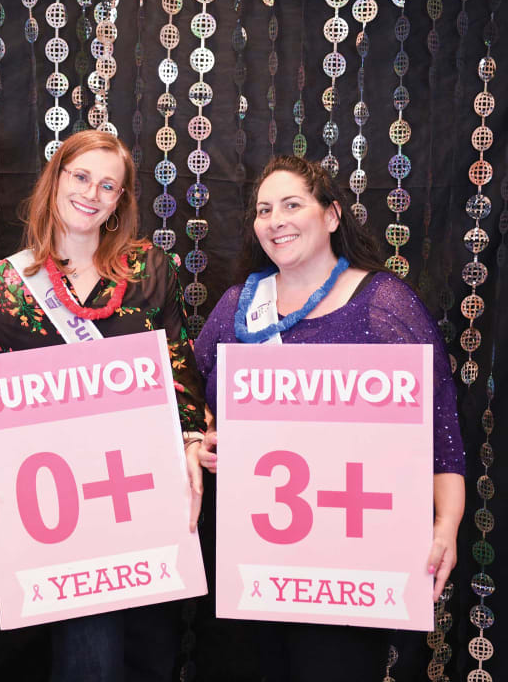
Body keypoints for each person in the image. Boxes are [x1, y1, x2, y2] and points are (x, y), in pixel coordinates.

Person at [193, 155, 466, 682]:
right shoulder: (236, 306)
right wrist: (203, 436)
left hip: (346, 566)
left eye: (292, 204)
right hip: (249, 559)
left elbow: (440, 428)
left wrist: (447, 523)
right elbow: (197, 392)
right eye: (264, 209)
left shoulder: (384, 304)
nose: (276, 220)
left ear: (333, 216)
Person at [0, 129, 206, 681]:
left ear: (121, 200)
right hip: (51, 507)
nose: (92, 194)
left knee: (147, 651)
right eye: (81, 177)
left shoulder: (148, 267)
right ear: (56, 180)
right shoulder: (4, 284)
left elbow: (178, 363)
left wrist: (193, 438)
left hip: (139, 492)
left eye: (109, 185)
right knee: (82, 653)